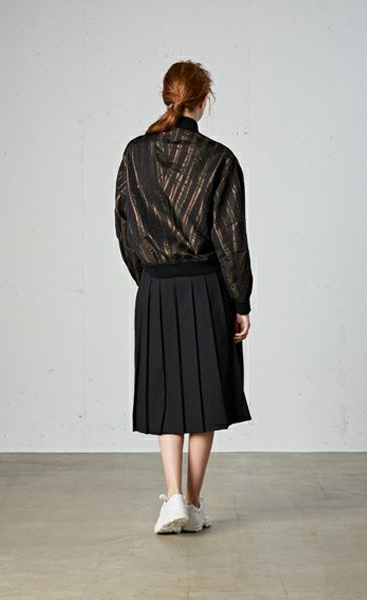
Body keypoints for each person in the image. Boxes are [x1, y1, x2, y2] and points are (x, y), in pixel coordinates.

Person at [114, 60, 254, 534]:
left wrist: (150, 278)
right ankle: (191, 503)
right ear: (204, 99)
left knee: (166, 392)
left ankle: (172, 497)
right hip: (207, 288)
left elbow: (124, 227)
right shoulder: (219, 159)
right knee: (204, 394)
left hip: (156, 287)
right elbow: (231, 239)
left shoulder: (135, 154)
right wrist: (240, 301)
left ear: (167, 96)